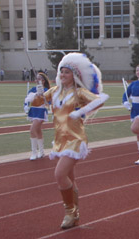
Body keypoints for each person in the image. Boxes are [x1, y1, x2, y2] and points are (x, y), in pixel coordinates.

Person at [40, 53, 109, 229]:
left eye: (67, 72)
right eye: (61, 72)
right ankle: (75, 215)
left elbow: (101, 99)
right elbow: (37, 101)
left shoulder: (79, 92)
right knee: (70, 177)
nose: (63, 75)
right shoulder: (55, 91)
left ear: (74, 76)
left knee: (59, 175)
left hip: (75, 140)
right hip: (60, 140)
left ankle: (70, 212)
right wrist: (36, 95)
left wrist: (80, 112)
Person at [24, 72, 51, 160]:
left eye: (39, 79)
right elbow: (27, 99)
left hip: (41, 111)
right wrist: (26, 107)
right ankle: (42, 152)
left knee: (32, 130)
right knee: (38, 131)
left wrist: (43, 95)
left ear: (43, 81)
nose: (37, 80)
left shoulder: (46, 90)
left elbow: (49, 103)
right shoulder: (32, 89)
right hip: (33, 111)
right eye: (37, 78)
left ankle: (34, 153)